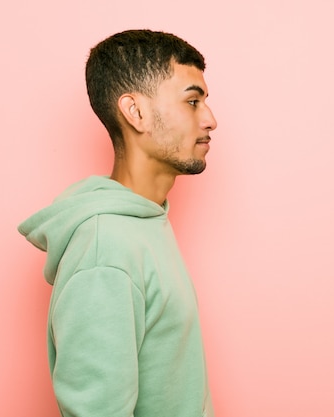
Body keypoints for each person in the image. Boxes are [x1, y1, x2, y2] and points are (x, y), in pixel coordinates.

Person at [18, 29, 217, 417]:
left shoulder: (145, 221)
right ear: (135, 112)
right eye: (193, 101)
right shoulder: (104, 249)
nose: (210, 119)